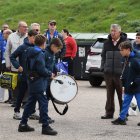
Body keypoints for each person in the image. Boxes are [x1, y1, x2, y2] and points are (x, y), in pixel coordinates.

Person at [18, 35, 62, 135]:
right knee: (44, 103)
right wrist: (49, 74)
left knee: (30, 103)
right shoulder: (40, 53)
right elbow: (41, 69)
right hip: (39, 81)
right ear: (43, 43)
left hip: (32, 80)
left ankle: (23, 124)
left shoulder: (30, 51)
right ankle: (45, 126)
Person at [100, 24, 127, 119]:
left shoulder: (125, 42)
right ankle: (109, 113)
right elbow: (103, 56)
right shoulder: (106, 43)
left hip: (120, 74)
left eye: (114, 31)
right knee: (109, 94)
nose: (112, 32)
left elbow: (128, 57)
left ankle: (123, 114)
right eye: (111, 30)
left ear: (119, 32)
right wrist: (103, 68)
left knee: (121, 95)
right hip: (108, 73)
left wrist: (126, 71)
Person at [10, 30, 38, 120]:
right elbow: (12, 57)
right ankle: (16, 111)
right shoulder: (23, 47)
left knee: (33, 94)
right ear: (29, 37)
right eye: (33, 37)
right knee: (21, 94)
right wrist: (18, 66)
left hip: (34, 75)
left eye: (36, 37)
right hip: (24, 75)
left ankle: (32, 112)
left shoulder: (37, 47)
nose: (34, 39)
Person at [111, 41, 140, 125]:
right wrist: (124, 84)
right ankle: (121, 118)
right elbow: (125, 72)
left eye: (122, 50)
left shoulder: (136, 59)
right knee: (125, 103)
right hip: (128, 86)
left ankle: (122, 118)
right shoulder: (125, 58)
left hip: (137, 86)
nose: (120, 52)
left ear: (128, 49)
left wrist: (135, 82)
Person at [5, 21, 28, 107]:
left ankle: (25, 101)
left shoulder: (28, 36)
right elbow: (7, 51)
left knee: (25, 82)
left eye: (27, 27)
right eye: (24, 27)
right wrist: (8, 63)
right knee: (15, 83)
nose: (26, 28)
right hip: (14, 64)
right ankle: (15, 100)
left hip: (25, 65)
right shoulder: (11, 36)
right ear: (19, 27)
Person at [2, 29, 13, 103]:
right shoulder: (4, 42)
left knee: (11, 80)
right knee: (7, 81)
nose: (3, 35)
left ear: (8, 34)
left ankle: (13, 98)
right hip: (4, 63)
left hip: (10, 64)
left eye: (4, 34)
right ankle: (9, 97)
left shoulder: (11, 42)